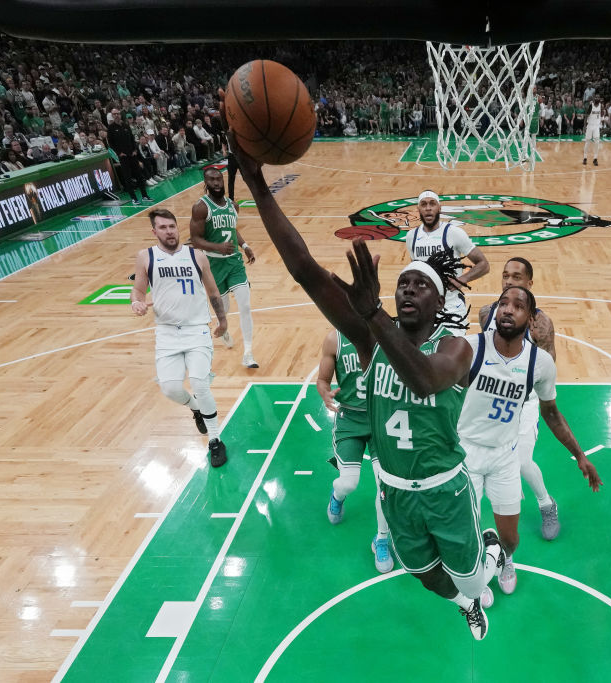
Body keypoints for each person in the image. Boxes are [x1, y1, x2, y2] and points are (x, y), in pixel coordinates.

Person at [228, 117, 503, 641]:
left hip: (447, 489)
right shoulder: (371, 334)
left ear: (440, 301)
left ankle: (486, 560)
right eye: (402, 284)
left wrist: (373, 314)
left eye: (419, 286)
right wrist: (258, 185)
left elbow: (423, 381)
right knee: (427, 579)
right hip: (395, 490)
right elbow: (304, 267)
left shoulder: (456, 347)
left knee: (471, 578)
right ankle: (464, 600)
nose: (406, 290)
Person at [462, 284, 602, 599]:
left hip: (505, 457)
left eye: (518, 305)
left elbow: (551, 413)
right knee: (464, 534)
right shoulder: (469, 348)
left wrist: (580, 456)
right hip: (465, 453)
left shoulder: (540, 363)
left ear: (531, 320)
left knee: (511, 537)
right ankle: (476, 578)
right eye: (503, 303)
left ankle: (503, 557)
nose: (508, 309)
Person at [130, 208, 229, 468]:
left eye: (172, 226)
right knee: (171, 389)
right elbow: (138, 290)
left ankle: (216, 440)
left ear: (177, 228)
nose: (169, 231)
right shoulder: (146, 257)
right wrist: (136, 303)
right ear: (154, 232)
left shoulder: (197, 256)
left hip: (197, 329)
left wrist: (223, 320)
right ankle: (195, 407)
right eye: (162, 227)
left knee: (199, 382)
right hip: (166, 333)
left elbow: (213, 290)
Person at [478, 257, 561, 539]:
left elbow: (548, 368)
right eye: (505, 276)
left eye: (516, 277)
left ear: (529, 283)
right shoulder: (487, 313)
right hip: (489, 398)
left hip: (523, 402)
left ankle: (546, 504)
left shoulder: (541, 323)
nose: (509, 281)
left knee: (522, 461)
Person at [316, 328, 393, 574]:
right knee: (349, 483)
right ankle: (337, 496)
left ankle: (381, 539)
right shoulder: (334, 339)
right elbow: (322, 380)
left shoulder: (387, 335)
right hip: (349, 419)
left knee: (385, 488)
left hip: (381, 419)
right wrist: (325, 393)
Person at [189, 167, 259, 368]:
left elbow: (232, 229)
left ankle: (248, 353)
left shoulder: (233, 205)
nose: (217, 183)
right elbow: (195, 239)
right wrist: (217, 247)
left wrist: (245, 246)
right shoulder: (201, 207)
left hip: (235, 263)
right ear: (206, 183)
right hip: (213, 265)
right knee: (224, 308)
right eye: (212, 180)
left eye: (219, 179)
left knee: (245, 306)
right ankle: (223, 326)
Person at [404, 191, 489, 333]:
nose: (428, 208)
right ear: (418, 209)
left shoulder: (454, 233)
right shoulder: (411, 236)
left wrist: (462, 279)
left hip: (451, 304)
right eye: (424, 204)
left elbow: (484, 265)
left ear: (439, 208)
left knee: (451, 351)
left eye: (432, 203)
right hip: (424, 307)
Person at [583, 95, 603, 166]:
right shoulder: (591, 106)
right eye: (596, 97)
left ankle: (595, 159)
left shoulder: (601, 106)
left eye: (598, 97)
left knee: (597, 142)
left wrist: (601, 123)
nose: (597, 98)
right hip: (590, 125)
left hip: (596, 126)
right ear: (594, 99)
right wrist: (584, 126)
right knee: (587, 141)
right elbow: (586, 116)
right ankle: (585, 158)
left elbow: (601, 115)